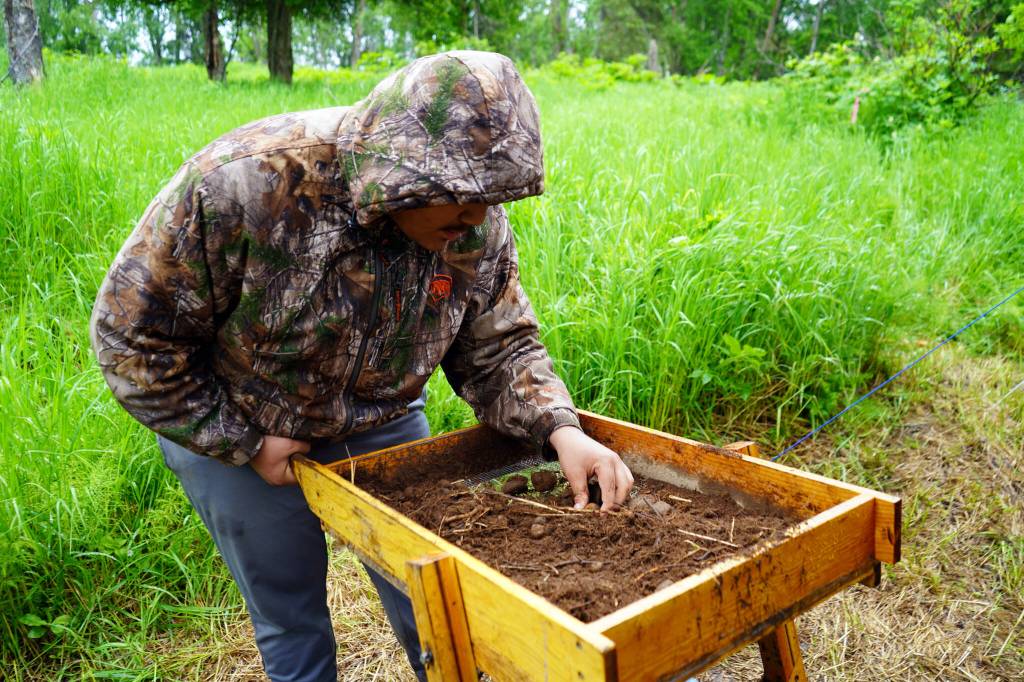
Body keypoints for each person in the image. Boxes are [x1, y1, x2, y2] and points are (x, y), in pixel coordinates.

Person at [89, 50, 634, 682]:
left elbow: (499, 346)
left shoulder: (471, 221)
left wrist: (561, 430)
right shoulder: (245, 185)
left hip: (383, 415)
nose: (477, 219)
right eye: (460, 198)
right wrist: (244, 441)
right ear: (402, 174)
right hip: (242, 419)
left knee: (438, 600)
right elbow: (131, 338)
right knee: (290, 615)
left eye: (491, 199)